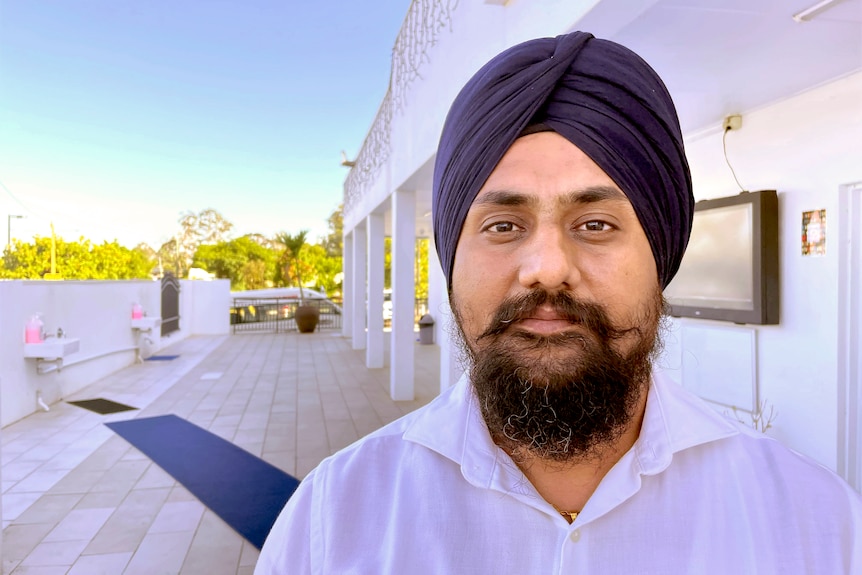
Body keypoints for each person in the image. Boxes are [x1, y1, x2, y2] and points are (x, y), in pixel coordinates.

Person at [256, 31, 861, 573]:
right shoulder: (331, 521)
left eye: (595, 224)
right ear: (450, 258)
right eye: (502, 225)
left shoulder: (816, 525)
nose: (547, 268)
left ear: (662, 255)